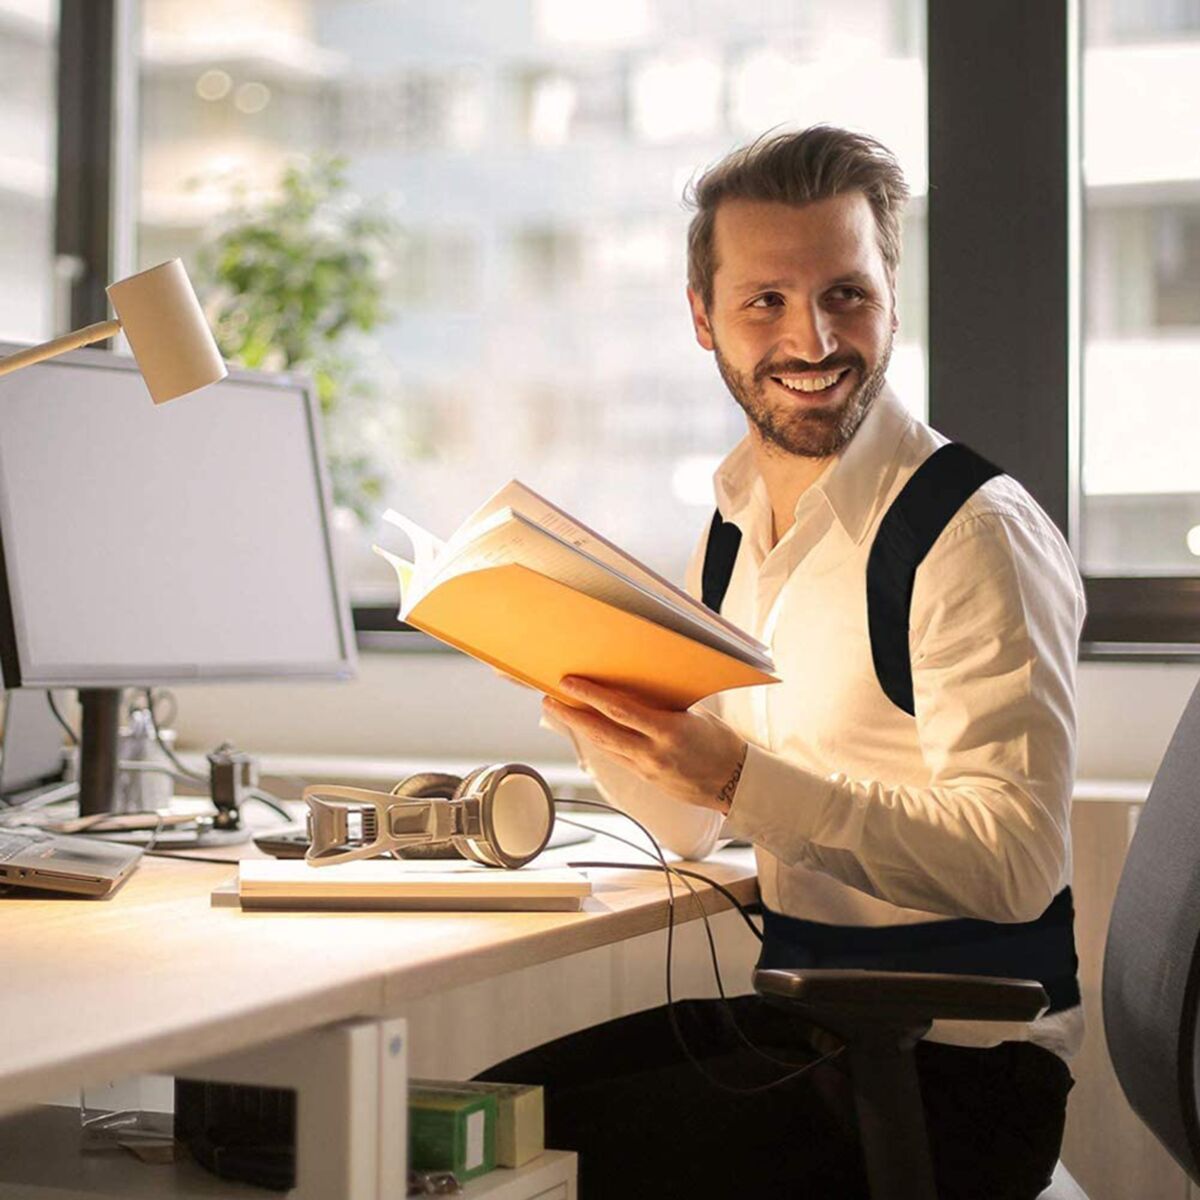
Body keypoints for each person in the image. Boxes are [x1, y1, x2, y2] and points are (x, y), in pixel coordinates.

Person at [479, 125, 1085, 1200]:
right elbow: (694, 828)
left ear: (891, 295)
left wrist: (731, 773)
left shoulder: (970, 533)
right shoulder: (733, 526)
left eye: (846, 294)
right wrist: (601, 714)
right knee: (462, 1118)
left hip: (956, 1084)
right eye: (766, 301)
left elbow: (1015, 861)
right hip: (811, 1030)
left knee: (494, 1171)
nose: (812, 338)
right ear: (703, 318)